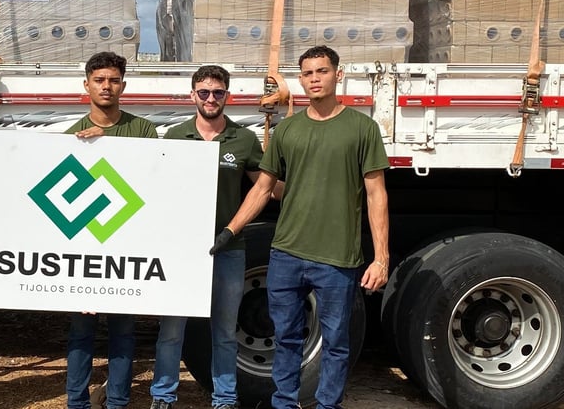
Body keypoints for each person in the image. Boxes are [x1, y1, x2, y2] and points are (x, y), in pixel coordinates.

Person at [216, 46, 390, 409]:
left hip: (336, 258)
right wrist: (230, 230)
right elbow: (263, 188)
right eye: (308, 73)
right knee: (286, 338)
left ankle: (328, 405)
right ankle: (284, 403)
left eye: (322, 71)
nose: (315, 79)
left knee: (336, 343)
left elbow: (376, 194)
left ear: (338, 75)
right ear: (301, 79)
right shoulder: (288, 130)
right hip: (287, 255)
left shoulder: (362, 128)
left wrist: (381, 258)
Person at [150, 65, 267, 409]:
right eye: (204, 92)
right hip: (183, 252)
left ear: (228, 95)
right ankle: (163, 395)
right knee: (172, 330)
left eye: (218, 92)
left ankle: (225, 398)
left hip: (229, 248)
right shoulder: (175, 137)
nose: (211, 98)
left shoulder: (244, 139)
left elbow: (266, 187)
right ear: (193, 96)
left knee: (225, 331)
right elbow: (157, 187)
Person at [64, 51, 157, 409]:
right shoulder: (72, 136)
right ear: (86, 85)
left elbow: (152, 175)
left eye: (114, 80)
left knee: (123, 332)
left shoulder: (143, 130)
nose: (107, 86)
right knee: (80, 333)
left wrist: (108, 142)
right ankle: (76, 402)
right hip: (83, 249)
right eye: (99, 80)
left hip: (126, 246)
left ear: (123, 86)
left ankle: (117, 401)